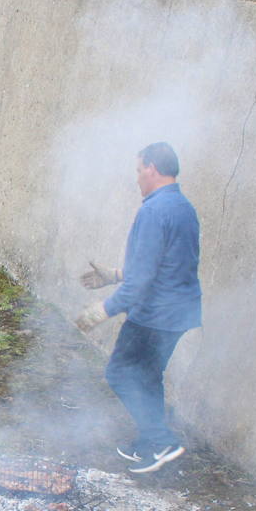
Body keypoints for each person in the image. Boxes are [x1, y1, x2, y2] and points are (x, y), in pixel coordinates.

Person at [76, 142, 201, 475]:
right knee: (148, 376)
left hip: (154, 314)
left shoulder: (153, 210)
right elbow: (164, 264)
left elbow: (141, 282)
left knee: (119, 373)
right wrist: (114, 275)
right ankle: (150, 444)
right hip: (178, 313)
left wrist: (102, 310)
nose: (137, 179)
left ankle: (162, 442)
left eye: (138, 170)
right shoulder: (183, 206)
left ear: (152, 168)